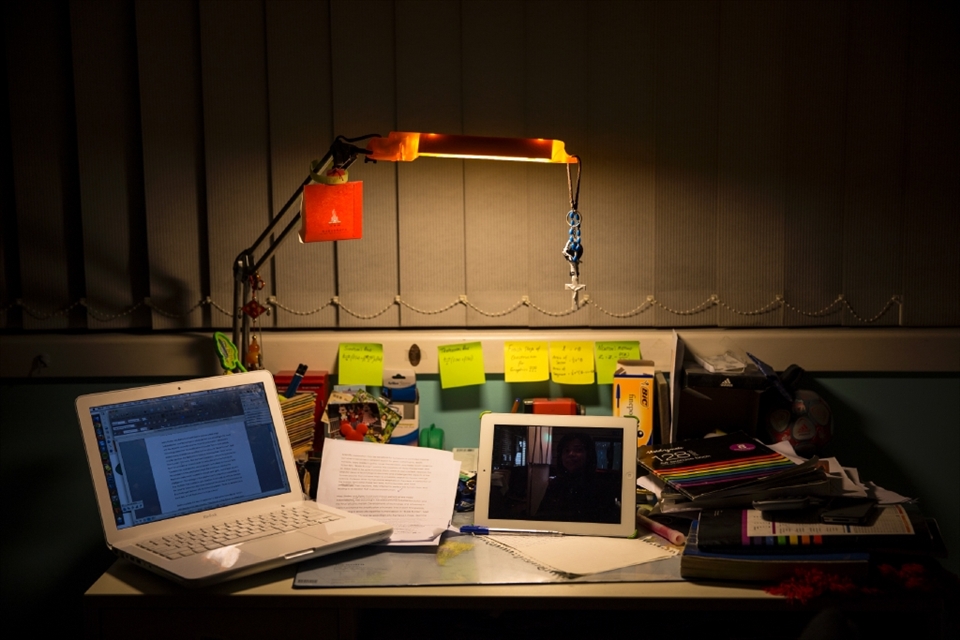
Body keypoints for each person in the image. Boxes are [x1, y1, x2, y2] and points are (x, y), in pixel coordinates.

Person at [535, 432, 620, 523]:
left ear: (589, 455)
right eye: (566, 450)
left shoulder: (601, 486)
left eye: (578, 450)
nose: (571, 454)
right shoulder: (555, 484)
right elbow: (541, 518)